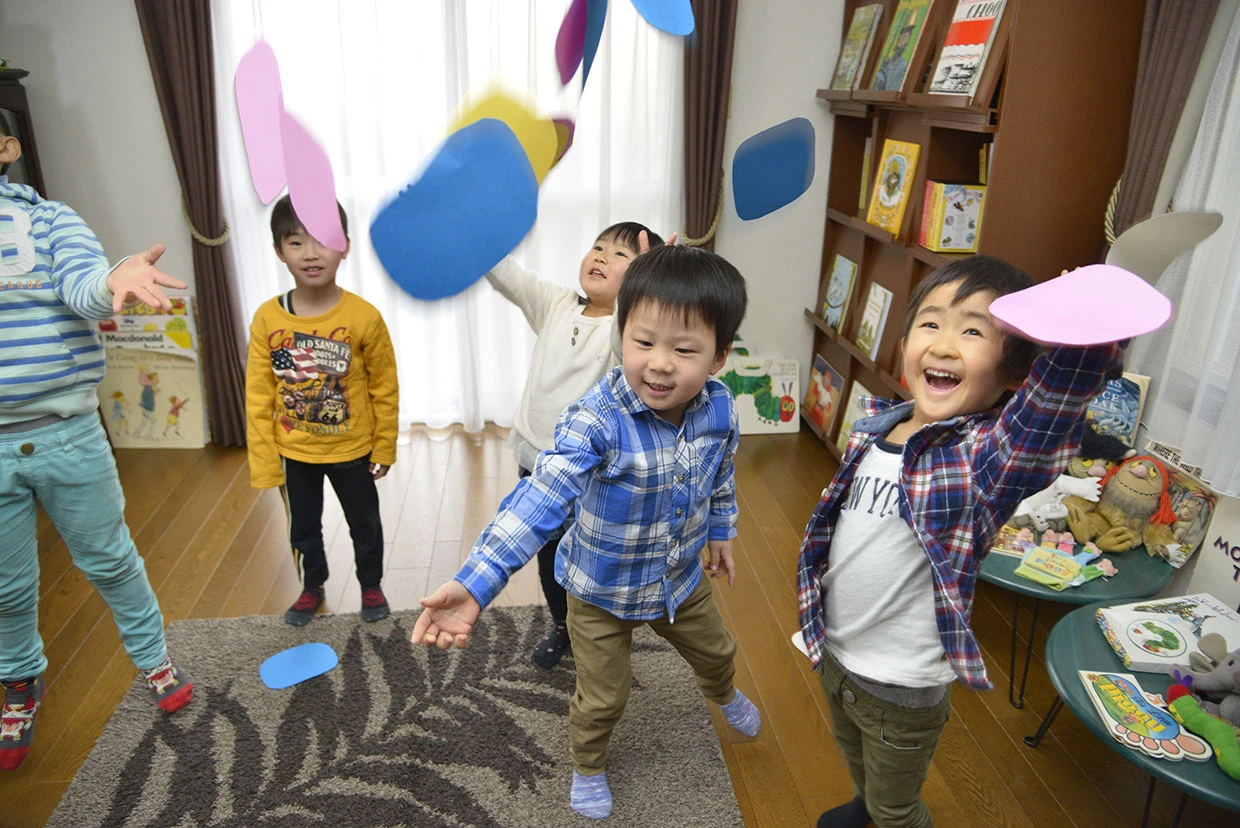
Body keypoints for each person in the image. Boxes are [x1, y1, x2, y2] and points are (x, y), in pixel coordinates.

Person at [413, 245, 761, 820]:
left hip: (678, 578)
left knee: (719, 653)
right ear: (621, 335)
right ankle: (588, 764)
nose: (660, 364)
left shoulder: (720, 409)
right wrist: (476, 583)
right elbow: (539, 497)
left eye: (684, 349)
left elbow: (720, 475)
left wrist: (721, 531)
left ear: (719, 357)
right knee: (604, 697)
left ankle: (723, 693)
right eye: (643, 342)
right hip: (600, 591)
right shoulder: (595, 418)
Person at [796, 256, 1123, 828]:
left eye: (973, 330)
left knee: (898, 808)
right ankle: (866, 800)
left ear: (1014, 372)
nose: (944, 344)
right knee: (854, 754)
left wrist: (1082, 323)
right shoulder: (876, 426)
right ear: (903, 344)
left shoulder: (982, 459)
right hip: (836, 650)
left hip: (901, 686)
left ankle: (885, 811)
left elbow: (1047, 413)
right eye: (930, 323)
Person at [0, 113, 193, 770]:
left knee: (108, 560)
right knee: (5, 585)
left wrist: (116, 279)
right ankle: (21, 680)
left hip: (66, 436)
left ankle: (155, 661)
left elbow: (84, 286)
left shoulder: (51, 222)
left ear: (7, 147)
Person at [485, 222, 664, 668]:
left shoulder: (624, 333)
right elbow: (509, 275)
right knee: (548, 559)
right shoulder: (556, 304)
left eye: (621, 256)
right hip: (537, 462)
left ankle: (598, 631)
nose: (601, 257)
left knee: (589, 560)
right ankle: (562, 623)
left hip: (591, 473)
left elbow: (637, 322)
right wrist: (478, 233)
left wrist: (651, 280)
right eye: (598, 247)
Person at [245, 195, 399, 626]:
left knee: (364, 524)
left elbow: (385, 387)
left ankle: (371, 584)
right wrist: (264, 462)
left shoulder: (364, 317)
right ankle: (312, 586)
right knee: (303, 530)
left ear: (345, 245)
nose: (311, 253)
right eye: (296, 242)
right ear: (279, 251)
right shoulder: (266, 319)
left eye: (323, 240)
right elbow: (257, 394)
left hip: (353, 448)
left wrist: (384, 444)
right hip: (294, 451)